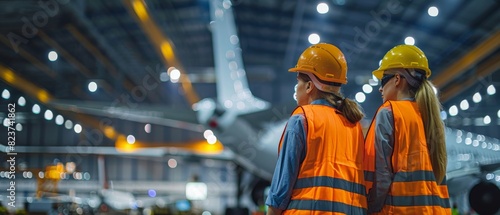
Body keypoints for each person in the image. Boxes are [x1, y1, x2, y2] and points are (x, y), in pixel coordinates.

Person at [265, 43, 367, 214]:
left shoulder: (302, 119)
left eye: (298, 80)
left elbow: (280, 190)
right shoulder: (354, 124)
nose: (296, 88)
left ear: (309, 86)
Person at [363, 44, 451, 214]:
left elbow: (382, 177)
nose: (380, 88)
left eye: (383, 80)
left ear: (397, 79)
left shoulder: (389, 112)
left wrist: (370, 207)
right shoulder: (430, 115)